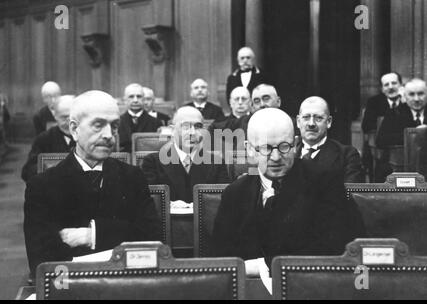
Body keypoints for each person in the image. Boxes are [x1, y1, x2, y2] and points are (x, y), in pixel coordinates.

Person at [24, 90, 161, 278]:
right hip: (71, 289)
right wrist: (120, 232)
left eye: (114, 126)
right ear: (74, 129)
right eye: (98, 125)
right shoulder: (42, 186)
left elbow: (151, 239)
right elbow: (43, 262)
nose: (109, 135)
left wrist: (92, 235)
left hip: (128, 284)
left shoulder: (133, 176)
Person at [212, 108, 365, 276]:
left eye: (284, 147)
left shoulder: (325, 182)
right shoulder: (234, 193)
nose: (276, 157)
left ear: (296, 144)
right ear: (249, 149)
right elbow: (221, 260)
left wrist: (263, 265)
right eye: (266, 148)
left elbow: (343, 245)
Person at [142, 106, 230, 204]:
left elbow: (222, 203)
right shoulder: (152, 162)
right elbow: (151, 204)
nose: (192, 132)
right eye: (185, 126)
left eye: (197, 126)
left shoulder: (216, 162)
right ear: (172, 130)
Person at [296, 96, 363, 183]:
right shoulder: (286, 153)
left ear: (329, 122)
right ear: (298, 121)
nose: (311, 123)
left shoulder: (347, 156)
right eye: (306, 117)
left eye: (318, 118)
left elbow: (349, 194)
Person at [21, 95, 76, 182]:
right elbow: (26, 172)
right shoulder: (43, 139)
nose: (69, 122)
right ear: (55, 116)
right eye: (64, 117)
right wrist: (47, 169)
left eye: (73, 117)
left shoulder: (88, 137)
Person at [377, 78, 427, 148]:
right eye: (411, 94)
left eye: (421, 94)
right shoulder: (394, 113)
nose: (416, 99)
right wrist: (414, 134)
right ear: (405, 96)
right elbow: (381, 140)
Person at [118, 83, 163, 152]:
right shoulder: (118, 122)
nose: (135, 100)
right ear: (125, 100)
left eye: (139, 96)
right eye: (131, 97)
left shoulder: (156, 123)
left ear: (143, 99)